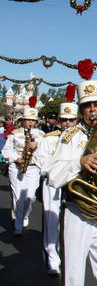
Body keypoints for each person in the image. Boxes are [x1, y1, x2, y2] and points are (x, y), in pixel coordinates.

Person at [46, 74, 97, 285]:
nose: (93, 109)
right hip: (78, 214)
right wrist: (80, 162)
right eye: (87, 105)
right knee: (73, 276)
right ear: (80, 108)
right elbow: (53, 176)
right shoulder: (70, 136)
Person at [34, 87, 78, 275]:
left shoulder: (81, 138)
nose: (67, 123)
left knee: (71, 223)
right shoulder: (48, 139)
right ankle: (53, 258)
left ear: (76, 120)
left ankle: (68, 256)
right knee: (51, 219)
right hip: (52, 184)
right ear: (59, 121)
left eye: (71, 120)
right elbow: (41, 161)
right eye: (64, 120)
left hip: (74, 186)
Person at [2, 97, 44, 236]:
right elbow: (6, 151)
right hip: (17, 167)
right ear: (23, 121)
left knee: (30, 197)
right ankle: (18, 225)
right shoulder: (15, 134)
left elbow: (46, 153)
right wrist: (16, 158)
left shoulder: (42, 136)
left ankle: (24, 215)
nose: (30, 123)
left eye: (33, 120)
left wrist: (37, 145)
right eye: (28, 120)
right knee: (17, 197)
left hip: (33, 167)